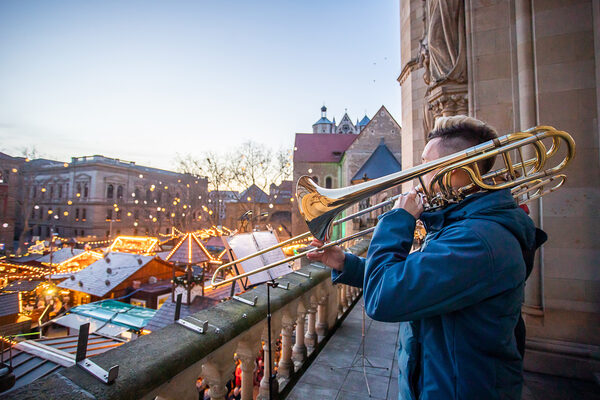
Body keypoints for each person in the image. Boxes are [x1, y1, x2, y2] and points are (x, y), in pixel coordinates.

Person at [308, 115, 546, 400]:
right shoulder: (464, 225)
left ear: (457, 171)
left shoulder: (476, 239)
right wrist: (347, 263)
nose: (417, 174)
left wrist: (398, 220)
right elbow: (417, 278)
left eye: (426, 164)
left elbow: (383, 298)